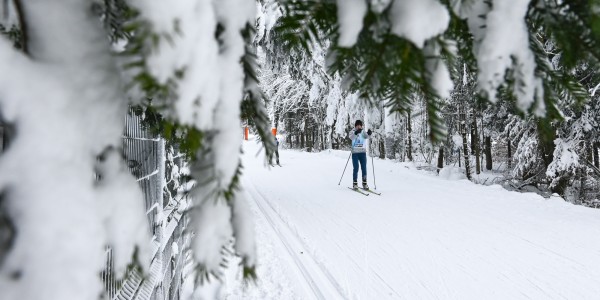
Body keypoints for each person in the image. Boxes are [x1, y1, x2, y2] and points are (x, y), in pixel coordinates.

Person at [349, 120, 372, 189]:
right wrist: (356, 133)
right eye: (357, 125)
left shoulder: (363, 132)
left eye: (360, 125)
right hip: (355, 153)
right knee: (356, 168)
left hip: (362, 153)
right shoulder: (352, 131)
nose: (359, 126)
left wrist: (369, 133)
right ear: (355, 126)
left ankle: (364, 183)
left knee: (364, 168)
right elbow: (351, 137)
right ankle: (355, 183)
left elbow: (367, 137)